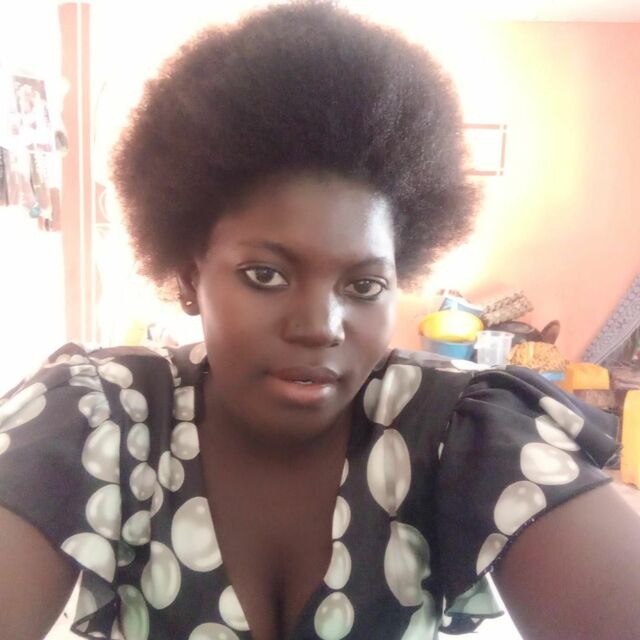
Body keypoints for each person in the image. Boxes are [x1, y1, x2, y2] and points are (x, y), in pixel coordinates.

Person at [1, 2, 639, 639]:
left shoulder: (453, 431)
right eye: (266, 275)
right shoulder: (106, 414)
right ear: (192, 278)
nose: (320, 327)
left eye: (363, 286)